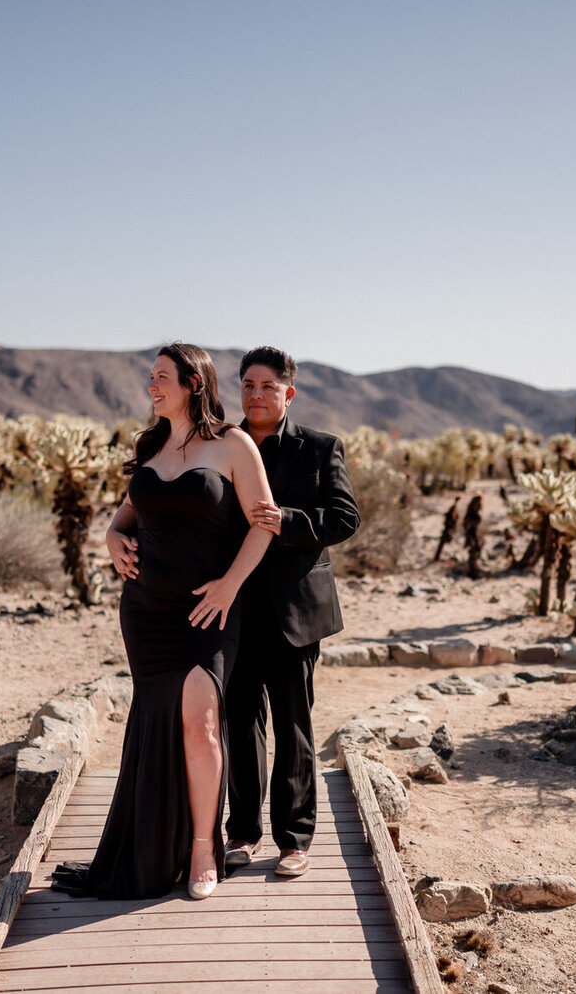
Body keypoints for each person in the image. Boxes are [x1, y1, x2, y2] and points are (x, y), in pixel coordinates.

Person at [53, 343, 275, 900]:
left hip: (209, 609)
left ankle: (204, 850)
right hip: (146, 612)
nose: (152, 387)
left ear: (193, 384)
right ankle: (154, 847)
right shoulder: (150, 446)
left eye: (162, 378)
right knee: (159, 723)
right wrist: (109, 537)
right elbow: (128, 516)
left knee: (200, 723)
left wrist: (231, 584)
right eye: (150, 377)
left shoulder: (232, 443)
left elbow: (263, 523)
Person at [224, 346, 361, 878]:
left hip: (295, 611)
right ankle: (242, 833)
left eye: (267, 387)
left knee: (294, 725)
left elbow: (345, 518)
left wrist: (287, 520)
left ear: (288, 393)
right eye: (248, 385)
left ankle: (294, 840)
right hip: (233, 607)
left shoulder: (319, 448)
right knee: (240, 722)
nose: (255, 395)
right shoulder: (222, 444)